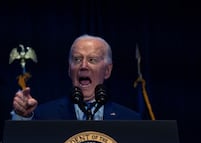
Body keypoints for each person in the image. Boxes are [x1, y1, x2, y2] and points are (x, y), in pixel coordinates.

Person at [11, 34, 142, 120]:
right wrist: (23, 117)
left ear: (107, 70)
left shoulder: (131, 120)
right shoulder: (43, 116)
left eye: (92, 59)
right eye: (77, 59)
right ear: (69, 69)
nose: (83, 65)